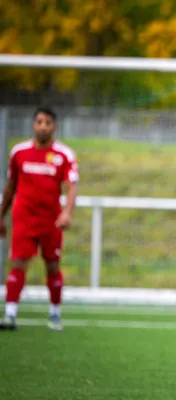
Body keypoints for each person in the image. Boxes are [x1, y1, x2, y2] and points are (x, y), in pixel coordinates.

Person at [0, 107, 79, 332]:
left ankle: (54, 314)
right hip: (24, 218)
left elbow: (72, 186)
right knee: (18, 263)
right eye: (39, 122)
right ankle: (10, 314)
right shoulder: (19, 152)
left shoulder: (64, 155)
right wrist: (1, 215)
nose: (43, 126)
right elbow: (10, 187)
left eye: (47, 123)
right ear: (33, 125)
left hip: (50, 220)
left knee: (52, 266)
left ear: (54, 126)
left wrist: (67, 212)